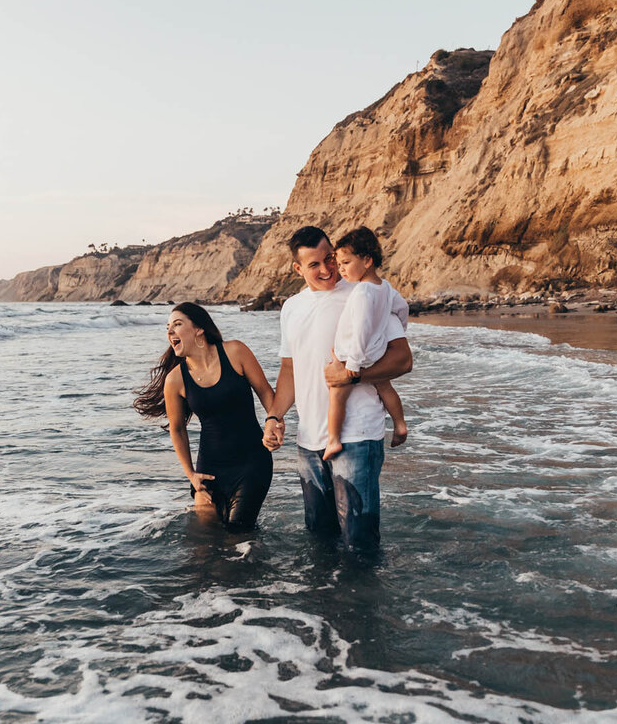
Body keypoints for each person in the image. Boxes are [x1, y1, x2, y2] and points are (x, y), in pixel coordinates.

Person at [262, 226, 412, 554]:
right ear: (297, 269)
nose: (327, 269)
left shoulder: (363, 293)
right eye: (314, 264)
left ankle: (365, 605)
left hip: (356, 436)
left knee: (359, 546)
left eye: (330, 258)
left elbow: (402, 360)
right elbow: (290, 370)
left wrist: (353, 377)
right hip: (308, 442)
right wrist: (274, 415)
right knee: (320, 542)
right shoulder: (291, 308)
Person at [134, 302, 276, 531]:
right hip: (209, 468)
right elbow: (177, 429)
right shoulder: (175, 380)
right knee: (205, 545)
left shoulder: (235, 352)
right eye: (168, 327)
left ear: (199, 328)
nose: (170, 331)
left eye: (177, 325)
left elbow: (265, 391)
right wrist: (191, 474)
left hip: (251, 462)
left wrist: (274, 422)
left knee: (238, 533)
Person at [324, 227, 409, 461]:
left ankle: (332, 440)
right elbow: (402, 308)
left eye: (346, 263)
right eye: (339, 264)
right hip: (376, 351)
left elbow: (360, 328)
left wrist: (353, 361)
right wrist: (400, 326)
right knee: (384, 386)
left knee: (337, 393)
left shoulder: (362, 291)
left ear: (367, 260)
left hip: (356, 354)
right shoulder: (386, 287)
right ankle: (400, 424)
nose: (341, 269)